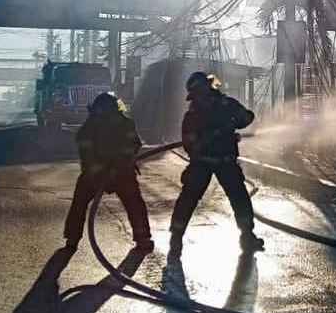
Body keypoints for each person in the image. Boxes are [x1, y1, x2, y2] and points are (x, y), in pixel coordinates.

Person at [169, 72, 263, 257]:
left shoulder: (225, 106)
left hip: (223, 161)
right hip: (204, 163)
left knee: (239, 198)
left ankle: (247, 237)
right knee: (188, 200)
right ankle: (176, 239)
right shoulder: (195, 114)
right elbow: (188, 143)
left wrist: (233, 123)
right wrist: (208, 140)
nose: (198, 99)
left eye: (199, 94)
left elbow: (247, 118)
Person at [63, 92, 153, 252]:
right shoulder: (94, 126)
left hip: (120, 172)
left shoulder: (117, 124)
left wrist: (119, 165)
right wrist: (100, 171)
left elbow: (133, 145)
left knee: (134, 203)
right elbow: (86, 152)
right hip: (99, 173)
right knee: (132, 203)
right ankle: (143, 238)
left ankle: (72, 238)